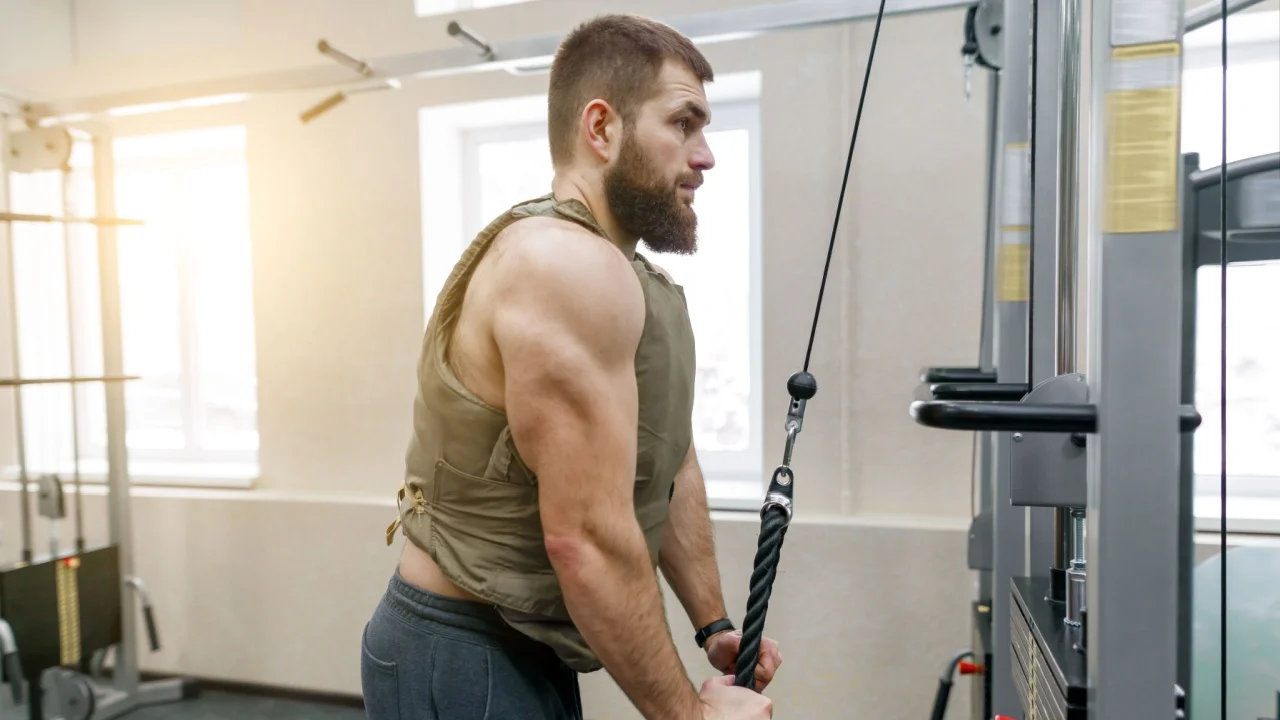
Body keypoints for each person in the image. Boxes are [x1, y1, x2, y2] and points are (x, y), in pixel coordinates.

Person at [362, 12, 781, 720]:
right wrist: (692, 716)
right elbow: (583, 538)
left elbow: (668, 459)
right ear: (601, 128)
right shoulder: (561, 267)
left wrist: (713, 627)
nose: (705, 155)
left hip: (526, 647)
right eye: (684, 123)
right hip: (463, 648)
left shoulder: (628, 279)